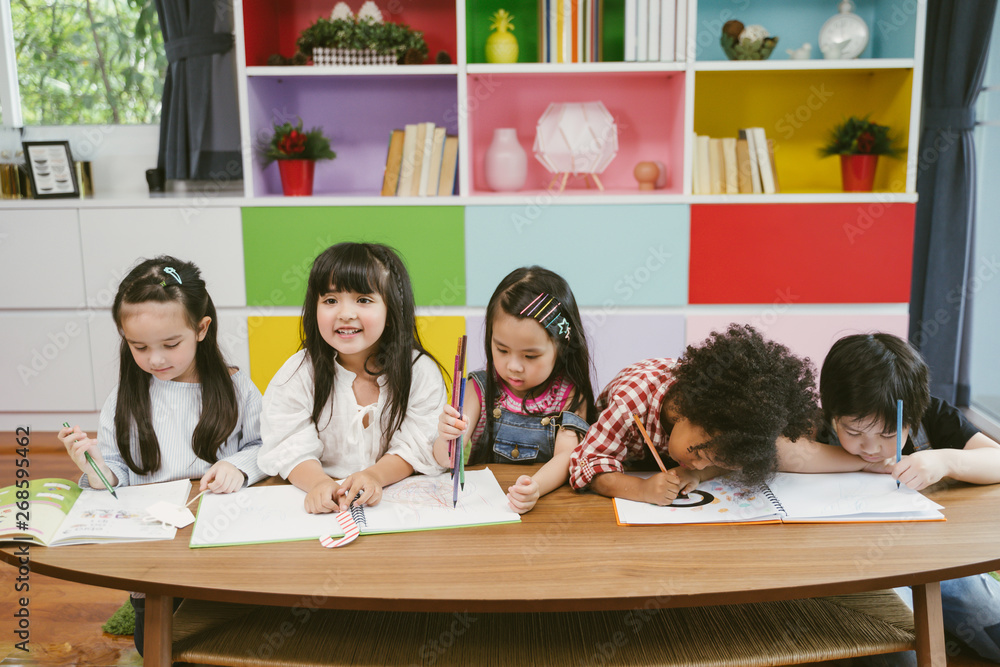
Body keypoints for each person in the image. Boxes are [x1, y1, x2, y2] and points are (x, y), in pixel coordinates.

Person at [58, 255, 265, 656]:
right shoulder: (124, 398)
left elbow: (263, 448)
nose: (155, 359)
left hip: (218, 533)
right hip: (153, 544)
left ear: (202, 329)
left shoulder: (238, 389)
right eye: (139, 346)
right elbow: (115, 473)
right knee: (155, 643)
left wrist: (237, 467)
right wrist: (95, 466)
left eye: (170, 344)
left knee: (233, 634)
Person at [818, 332, 1000, 665]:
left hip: (936, 558)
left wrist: (945, 460)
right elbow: (785, 456)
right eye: (854, 433)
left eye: (889, 434)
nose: (871, 448)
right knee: (900, 649)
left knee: (985, 612)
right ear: (832, 414)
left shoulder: (932, 417)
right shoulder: (817, 430)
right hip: (862, 569)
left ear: (913, 416)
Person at [568, 323, 879, 504]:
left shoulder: (718, 431)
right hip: (631, 450)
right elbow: (587, 463)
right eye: (702, 453)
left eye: (714, 460)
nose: (703, 462)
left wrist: (697, 472)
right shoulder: (628, 403)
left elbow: (724, 459)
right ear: (688, 409)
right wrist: (641, 489)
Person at [258, 242, 446, 514]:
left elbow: (419, 444)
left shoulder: (419, 371)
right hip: (325, 506)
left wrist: (376, 476)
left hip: (398, 503)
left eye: (364, 300)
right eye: (330, 301)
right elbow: (287, 443)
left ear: (391, 310)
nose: (345, 314)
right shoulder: (297, 373)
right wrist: (319, 483)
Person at [434, 267, 596, 513]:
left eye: (530, 355)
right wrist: (447, 437)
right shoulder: (479, 388)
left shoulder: (569, 395)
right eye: (501, 350)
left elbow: (567, 457)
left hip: (545, 508)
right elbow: (445, 459)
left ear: (561, 348)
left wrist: (536, 487)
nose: (513, 366)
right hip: (482, 509)